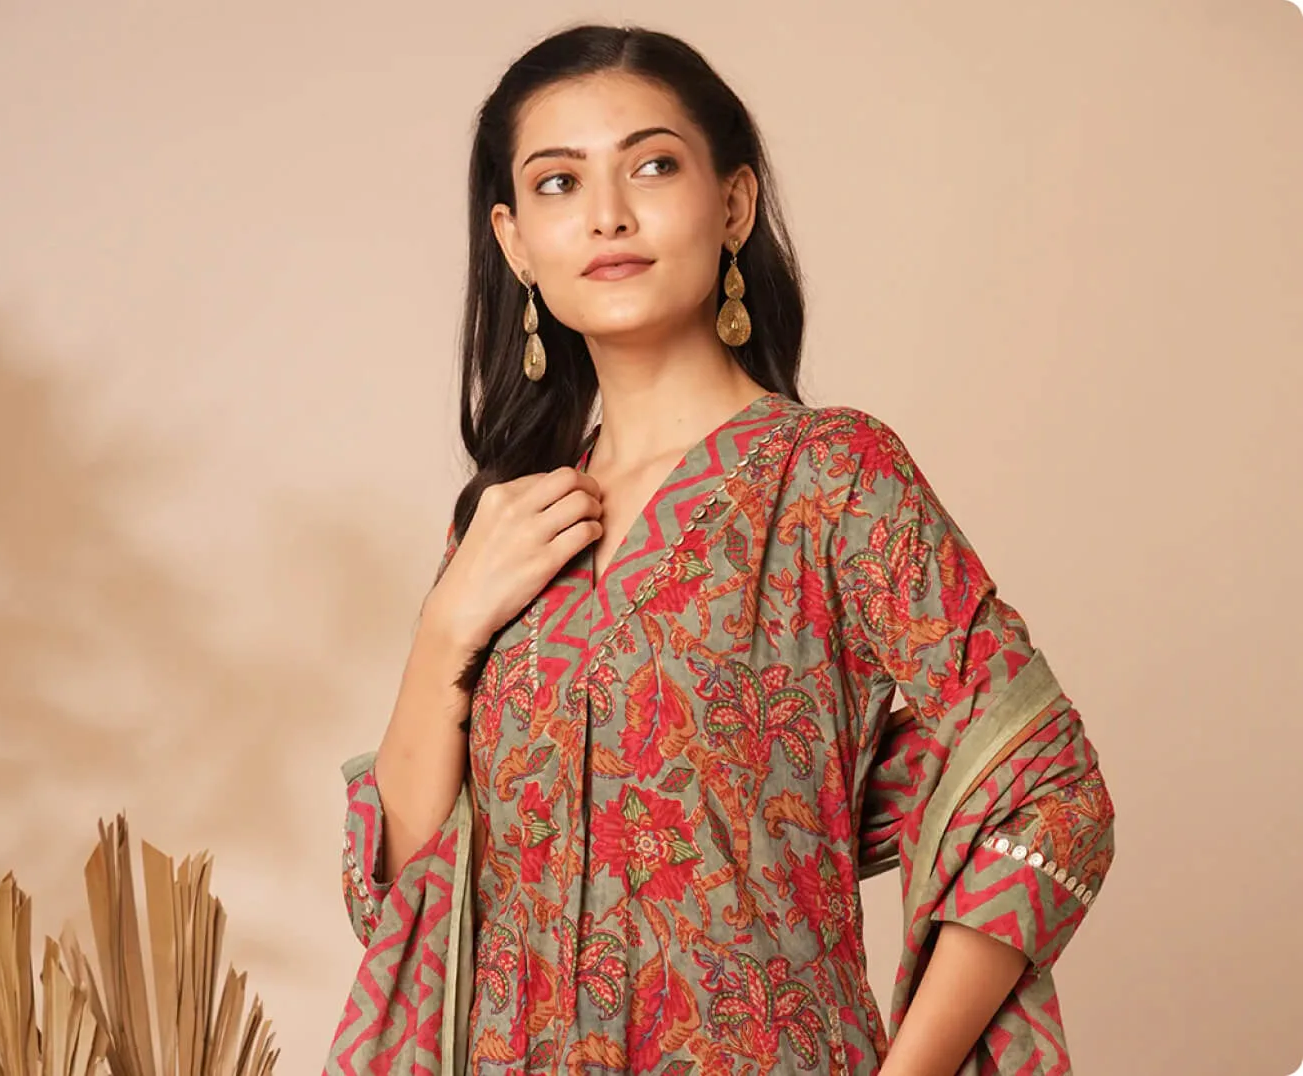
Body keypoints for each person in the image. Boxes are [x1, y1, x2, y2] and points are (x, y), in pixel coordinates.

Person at [325, 23, 1115, 1076]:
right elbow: (400, 902)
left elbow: (1049, 787)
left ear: (733, 204)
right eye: (559, 182)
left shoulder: (828, 476)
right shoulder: (507, 524)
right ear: (514, 241)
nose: (607, 214)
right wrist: (443, 633)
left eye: (652, 166)